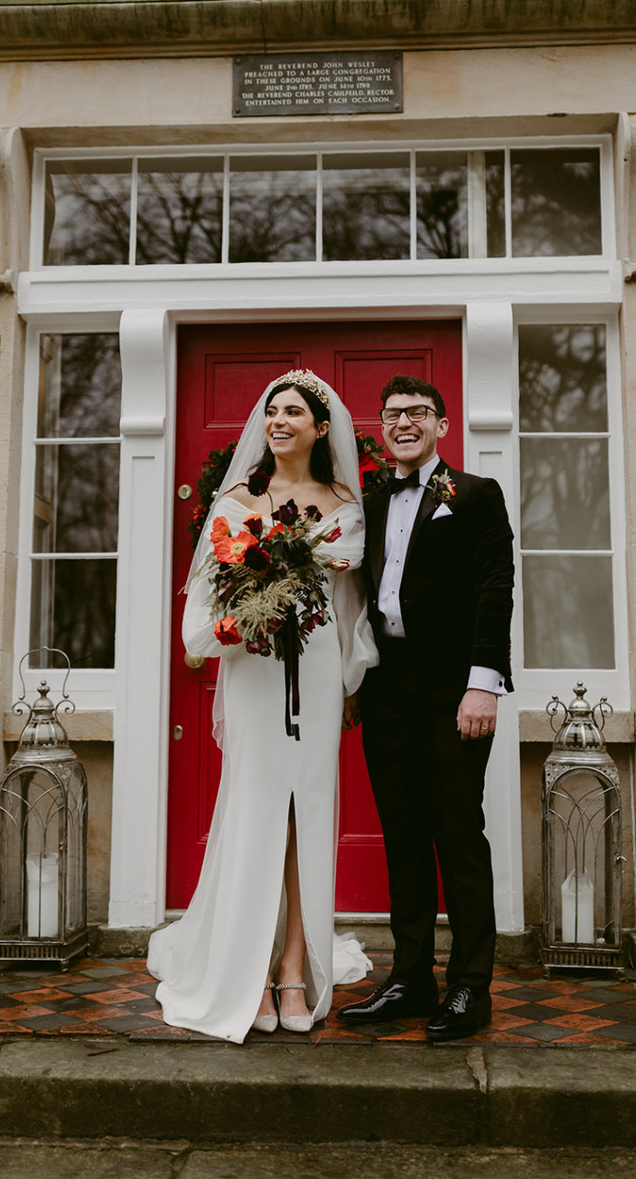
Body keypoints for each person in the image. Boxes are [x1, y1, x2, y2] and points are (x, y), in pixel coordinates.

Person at [148, 370, 377, 1043]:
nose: (278, 420)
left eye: (293, 411)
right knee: (255, 812)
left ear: (321, 427)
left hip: (315, 665)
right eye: (272, 410)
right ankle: (242, 970)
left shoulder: (342, 500)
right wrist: (251, 600)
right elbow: (210, 603)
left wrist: (351, 678)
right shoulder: (236, 502)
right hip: (254, 670)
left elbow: (347, 584)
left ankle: (293, 967)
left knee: (307, 815)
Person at [338, 375, 514, 1041]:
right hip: (388, 694)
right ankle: (411, 978)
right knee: (404, 838)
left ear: (441, 423)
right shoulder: (372, 499)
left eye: (417, 413)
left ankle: (471, 988)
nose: (404, 422)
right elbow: (355, 601)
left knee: (458, 838)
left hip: (453, 693)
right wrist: (354, 683)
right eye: (393, 414)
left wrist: (483, 682)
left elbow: (496, 589)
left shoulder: (472, 495)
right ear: (382, 427)